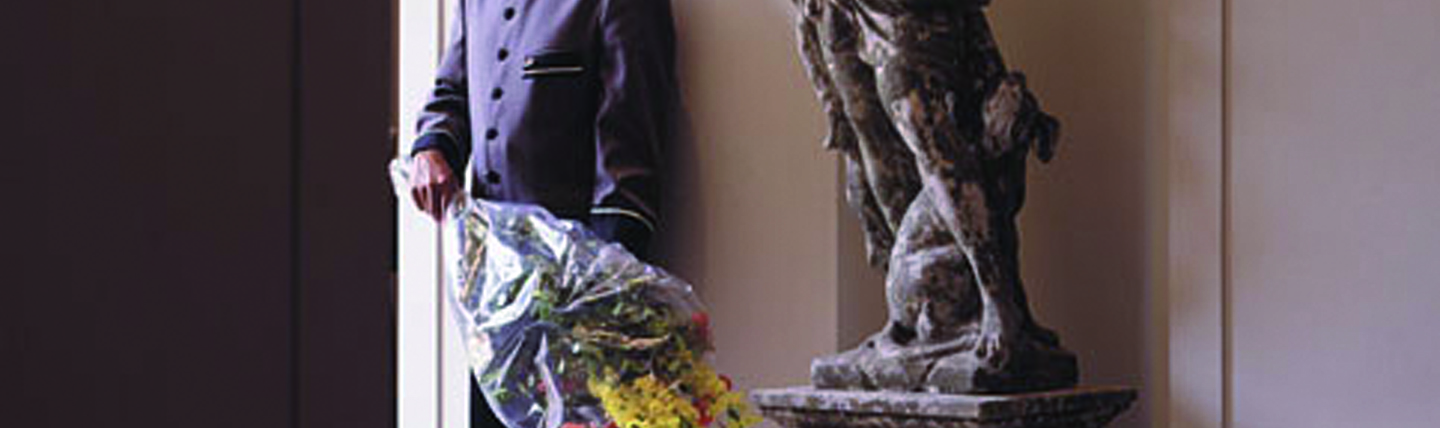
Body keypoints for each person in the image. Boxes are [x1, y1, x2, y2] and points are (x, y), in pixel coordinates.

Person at [407, 0, 681, 425]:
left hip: (577, 296)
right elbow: (451, 93)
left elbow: (629, 154)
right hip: (489, 296)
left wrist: (602, 305)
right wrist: (431, 148)